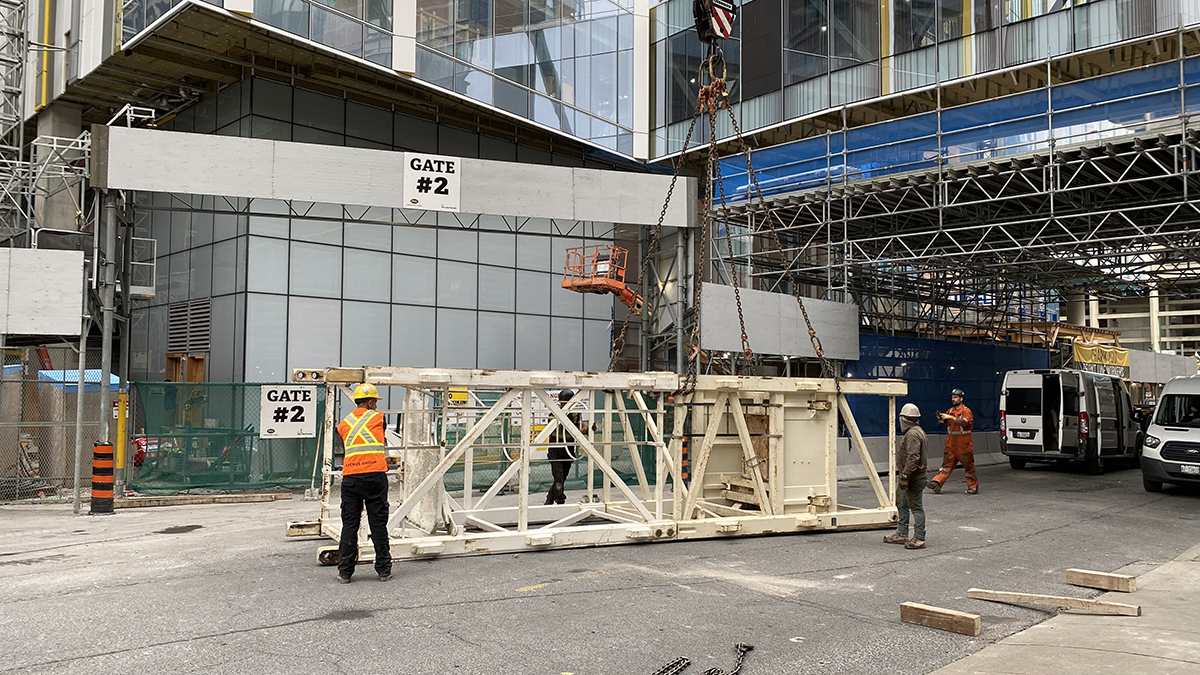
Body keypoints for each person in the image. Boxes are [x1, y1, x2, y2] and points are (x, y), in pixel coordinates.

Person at [335, 383, 392, 583]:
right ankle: (384, 569)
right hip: (375, 476)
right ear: (370, 401)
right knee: (378, 524)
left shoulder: (343, 423)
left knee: (350, 524)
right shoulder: (378, 417)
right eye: (375, 401)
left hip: (351, 478)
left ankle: (345, 572)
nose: (376, 405)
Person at [885, 403, 928, 549]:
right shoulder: (917, 431)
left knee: (916, 508)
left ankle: (919, 537)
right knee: (902, 503)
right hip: (910, 477)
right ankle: (902, 533)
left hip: (913, 479)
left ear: (904, 419)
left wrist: (905, 477)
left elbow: (913, 458)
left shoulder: (912, 435)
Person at [930, 388, 978, 495]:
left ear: (961, 399)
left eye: (955, 397)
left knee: (968, 465)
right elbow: (944, 422)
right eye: (952, 397)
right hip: (951, 442)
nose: (953, 399)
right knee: (947, 464)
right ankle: (937, 482)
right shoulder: (951, 410)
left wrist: (949, 417)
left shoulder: (966, 411)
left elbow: (965, 423)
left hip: (963, 443)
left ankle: (973, 487)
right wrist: (941, 418)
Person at [544, 389, 580, 505]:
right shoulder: (554, 415)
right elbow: (555, 430)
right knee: (559, 480)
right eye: (564, 403)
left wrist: (587, 429)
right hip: (556, 451)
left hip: (568, 451)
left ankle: (550, 498)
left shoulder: (576, 415)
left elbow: (581, 428)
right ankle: (560, 499)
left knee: (561, 479)